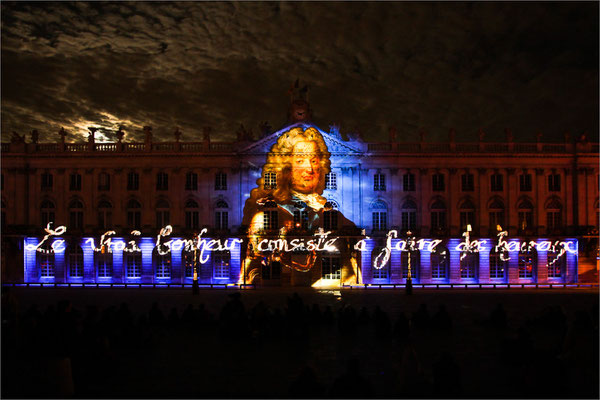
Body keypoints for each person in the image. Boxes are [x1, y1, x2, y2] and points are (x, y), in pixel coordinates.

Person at [241, 126, 358, 285]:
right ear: (286, 170)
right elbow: (253, 267)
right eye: (300, 160)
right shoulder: (265, 216)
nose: (309, 169)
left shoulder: (330, 213)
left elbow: (349, 266)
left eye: (314, 161)